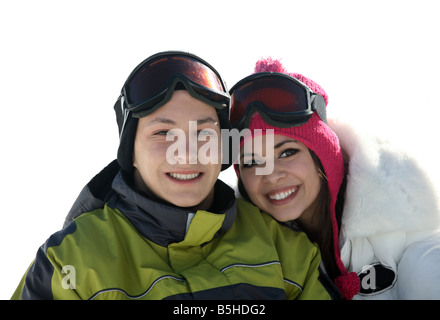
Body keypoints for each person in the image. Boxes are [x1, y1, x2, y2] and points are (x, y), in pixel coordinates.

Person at [12, 51, 337, 300]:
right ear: (131, 153)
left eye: (204, 133)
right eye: (163, 133)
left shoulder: (285, 249)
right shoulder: (70, 262)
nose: (187, 152)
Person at [230, 57, 440, 300]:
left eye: (287, 152)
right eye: (252, 162)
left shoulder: (412, 241)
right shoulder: (243, 257)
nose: (272, 175)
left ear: (323, 158)